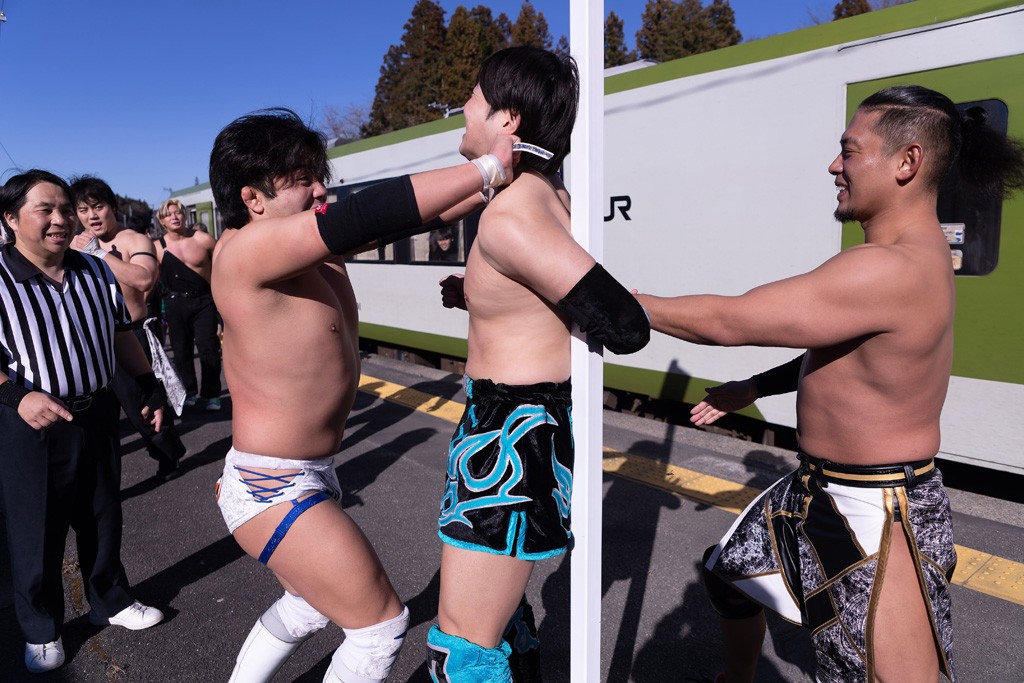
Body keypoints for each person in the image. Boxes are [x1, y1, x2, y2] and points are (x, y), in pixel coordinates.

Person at [635, 86, 1024, 683]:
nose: (834, 166)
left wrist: (614, 299)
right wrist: (756, 388)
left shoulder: (889, 267)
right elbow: (850, 354)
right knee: (730, 575)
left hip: (875, 510)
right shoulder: (912, 256)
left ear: (907, 162)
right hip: (815, 487)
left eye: (850, 150)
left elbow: (729, 321)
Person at [208, 107, 516, 683]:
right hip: (271, 486)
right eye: (302, 180)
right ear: (252, 199)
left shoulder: (312, 253)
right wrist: (487, 168)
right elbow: (367, 211)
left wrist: (495, 183)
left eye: (318, 176)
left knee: (307, 606)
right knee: (380, 627)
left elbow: (408, 218)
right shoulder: (245, 251)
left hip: (304, 473)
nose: (320, 190)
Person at [428, 47, 650, 682]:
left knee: (463, 649)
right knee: (505, 625)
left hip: (509, 433)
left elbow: (624, 324)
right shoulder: (550, 196)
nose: (463, 108)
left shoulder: (512, 216)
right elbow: (543, 294)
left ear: (508, 119)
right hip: (521, 427)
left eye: (473, 97)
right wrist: (477, 293)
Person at [0, 170, 166, 674]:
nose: (60, 219)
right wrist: (15, 396)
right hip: (31, 422)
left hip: (97, 411)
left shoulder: (95, 269)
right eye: (45, 210)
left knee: (102, 514)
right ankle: (41, 628)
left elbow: (120, 333)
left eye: (65, 210)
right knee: (36, 529)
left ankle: (109, 599)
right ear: (10, 219)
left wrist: (148, 384)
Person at [69, 176, 187, 480]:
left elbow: (145, 279)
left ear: (112, 207)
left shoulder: (134, 240)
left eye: (98, 207)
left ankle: (168, 454)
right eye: (83, 210)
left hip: (132, 334)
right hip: (92, 339)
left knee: (142, 409)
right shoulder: (73, 244)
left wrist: (100, 254)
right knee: (96, 415)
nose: (92, 216)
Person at [154, 198, 222, 411]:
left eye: (177, 212)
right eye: (168, 214)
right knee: (181, 350)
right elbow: (151, 280)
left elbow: (223, 266)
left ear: (184, 215)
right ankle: (189, 391)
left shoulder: (203, 239)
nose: (174, 217)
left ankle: (212, 394)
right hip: (174, 303)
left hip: (204, 300)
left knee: (208, 346)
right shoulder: (157, 247)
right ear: (162, 221)